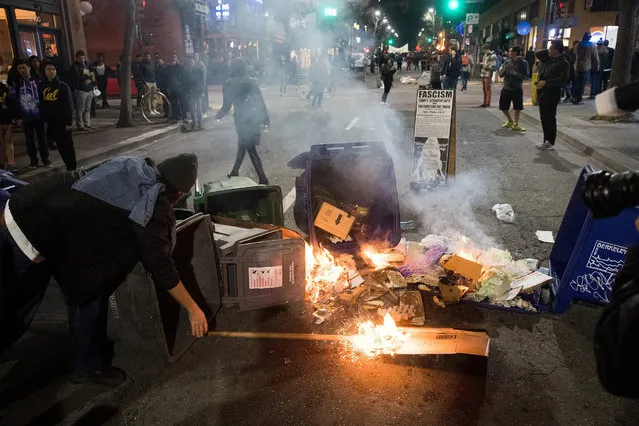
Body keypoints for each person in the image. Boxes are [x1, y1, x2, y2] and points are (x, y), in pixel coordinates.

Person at [0, 153, 208, 385]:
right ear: (177, 193)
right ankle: (86, 368)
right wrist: (193, 309)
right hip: (33, 229)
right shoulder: (152, 204)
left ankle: (83, 361)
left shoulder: (134, 165)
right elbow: (160, 264)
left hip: (24, 203)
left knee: (69, 291)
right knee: (28, 306)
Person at [216, 58, 270, 185]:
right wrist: (266, 119)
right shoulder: (251, 82)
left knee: (250, 149)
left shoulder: (228, 83)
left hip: (241, 119)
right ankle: (235, 171)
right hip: (254, 117)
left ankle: (263, 178)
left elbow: (226, 105)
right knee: (243, 146)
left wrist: (219, 115)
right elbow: (260, 101)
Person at [9, 58, 49, 168]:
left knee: (42, 139)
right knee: (29, 140)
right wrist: (17, 117)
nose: (22, 70)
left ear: (29, 67)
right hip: (25, 117)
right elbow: (14, 102)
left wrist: (45, 113)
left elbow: (44, 97)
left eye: (24, 67)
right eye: (19, 68)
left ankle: (45, 159)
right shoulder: (17, 84)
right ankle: (33, 160)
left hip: (39, 115)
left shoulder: (37, 81)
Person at [39, 60, 76, 171]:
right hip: (51, 123)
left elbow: (69, 105)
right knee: (59, 146)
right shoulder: (41, 86)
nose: (51, 72)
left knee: (68, 146)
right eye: (49, 69)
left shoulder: (63, 86)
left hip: (63, 123)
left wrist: (69, 122)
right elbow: (41, 104)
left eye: (53, 69)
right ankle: (68, 166)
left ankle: (72, 168)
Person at [535, 40, 570, 150]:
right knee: (543, 117)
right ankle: (546, 139)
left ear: (556, 50)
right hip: (542, 92)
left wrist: (546, 83)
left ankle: (550, 140)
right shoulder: (548, 60)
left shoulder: (563, 63)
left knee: (550, 117)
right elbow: (538, 53)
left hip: (552, 93)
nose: (548, 50)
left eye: (551, 48)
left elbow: (563, 81)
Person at [498, 46, 528, 132]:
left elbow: (525, 76)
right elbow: (501, 74)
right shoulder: (507, 62)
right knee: (503, 107)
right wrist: (505, 70)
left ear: (515, 52)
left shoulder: (523, 63)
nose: (509, 53)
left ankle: (516, 123)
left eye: (511, 51)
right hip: (506, 87)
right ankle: (510, 120)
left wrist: (514, 73)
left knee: (517, 107)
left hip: (517, 88)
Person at [573, 32, 599, 104]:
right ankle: (579, 98)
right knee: (582, 83)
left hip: (577, 66)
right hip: (586, 66)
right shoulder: (592, 45)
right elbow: (595, 57)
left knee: (577, 82)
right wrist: (596, 66)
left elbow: (574, 53)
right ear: (589, 37)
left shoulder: (577, 45)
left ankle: (574, 96)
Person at [73, 50, 95, 130]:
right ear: (76, 58)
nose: (82, 60)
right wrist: (87, 75)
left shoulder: (88, 64)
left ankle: (87, 123)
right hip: (81, 90)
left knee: (88, 108)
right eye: (80, 58)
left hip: (89, 89)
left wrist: (91, 81)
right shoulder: (75, 66)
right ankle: (80, 125)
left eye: (83, 58)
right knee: (80, 108)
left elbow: (93, 75)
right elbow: (77, 77)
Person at [166, 52, 186, 123]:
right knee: (173, 103)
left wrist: (180, 84)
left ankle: (180, 115)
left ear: (176, 58)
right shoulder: (169, 67)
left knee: (179, 103)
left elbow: (183, 76)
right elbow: (167, 77)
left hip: (178, 87)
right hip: (171, 87)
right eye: (172, 57)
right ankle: (175, 116)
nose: (173, 58)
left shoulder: (180, 66)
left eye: (174, 57)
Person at [185, 56, 204, 131]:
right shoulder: (187, 71)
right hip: (190, 92)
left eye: (192, 62)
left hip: (197, 91)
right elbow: (186, 82)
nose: (191, 63)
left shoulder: (198, 70)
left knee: (199, 108)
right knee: (192, 108)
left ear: (194, 62)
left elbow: (202, 81)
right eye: (189, 62)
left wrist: (202, 91)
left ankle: (199, 123)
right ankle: (194, 123)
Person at [0, 81, 14, 171]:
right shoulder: (3, 86)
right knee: (7, 142)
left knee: (5, 141)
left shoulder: (3, 86)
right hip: (6, 115)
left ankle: (5, 163)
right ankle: (8, 163)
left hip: (4, 116)